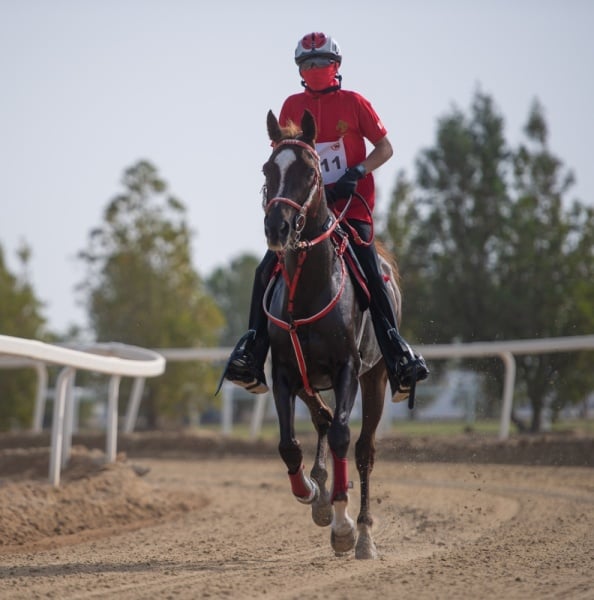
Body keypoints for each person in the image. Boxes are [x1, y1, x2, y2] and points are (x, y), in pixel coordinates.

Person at [221, 32, 428, 399]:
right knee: (264, 270)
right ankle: (252, 354)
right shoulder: (290, 105)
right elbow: (287, 159)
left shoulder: (354, 102)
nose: (315, 69)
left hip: (351, 207)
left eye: (322, 63)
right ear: (300, 69)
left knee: (370, 272)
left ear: (336, 66)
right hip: (305, 211)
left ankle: (396, 354)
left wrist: (357, 172)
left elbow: (385, 148)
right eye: (308, 64)